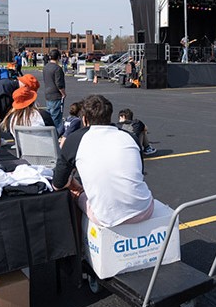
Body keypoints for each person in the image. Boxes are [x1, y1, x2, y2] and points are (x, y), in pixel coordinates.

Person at [53, 95, 154, 227]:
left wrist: (77, 188)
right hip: (144, 209)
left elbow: (58, 183)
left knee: (75, 192)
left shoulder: (75, 139)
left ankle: (81, 243)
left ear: (84, 119)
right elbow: (139, 173)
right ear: (109, 116)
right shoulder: (129, 137)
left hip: (106, 217)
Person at [41, 49, 66, 132]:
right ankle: (56, 134)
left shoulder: (45, 67)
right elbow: (59, 84)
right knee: (56, 117)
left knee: (50, 115)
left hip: (47, 93)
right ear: (58, 57)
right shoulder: (57, 69)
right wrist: (63, 93)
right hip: (55, 94)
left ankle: (50, 132)